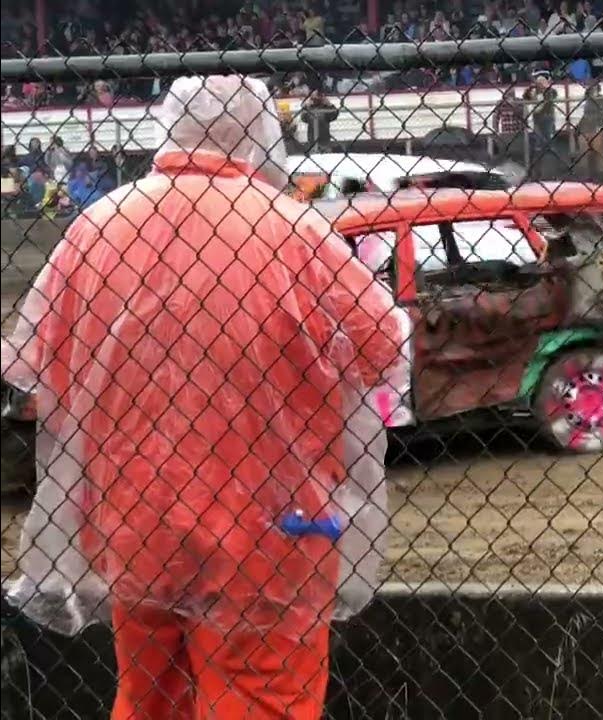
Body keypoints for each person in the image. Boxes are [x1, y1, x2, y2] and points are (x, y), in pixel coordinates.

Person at [2, 75, 409, 719]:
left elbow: (31, 367)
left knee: (150, 693)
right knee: (263, 692)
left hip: (136, 520)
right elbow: (384, 347)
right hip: (268, 524)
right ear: (259, 134)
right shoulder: (292, 230)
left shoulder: (99, 228)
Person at [577, 80, 603, 178]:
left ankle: (602, 173)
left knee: (599, 151)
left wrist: (600, 126)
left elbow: (602, 114)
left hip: (595, 127)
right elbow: (585, 114)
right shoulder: (587, 100)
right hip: (586, 127)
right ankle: (586, 173)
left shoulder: (601, 99)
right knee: (584, 151)